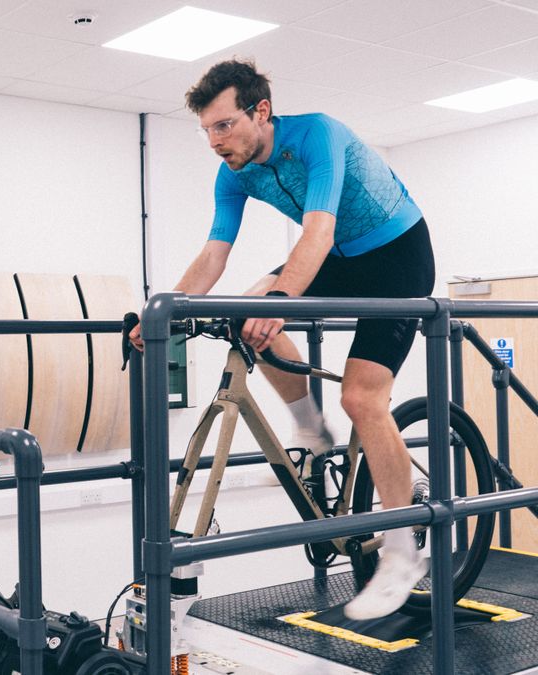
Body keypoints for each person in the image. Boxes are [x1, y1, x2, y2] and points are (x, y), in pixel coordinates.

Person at [129, 59, 434, 620]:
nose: (215, 141)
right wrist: (160, 315)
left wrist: (282, 302)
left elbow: (318, 230)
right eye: (206, 130)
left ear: (260, 111)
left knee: (363, 397)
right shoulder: (234, 173)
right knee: (247, 314)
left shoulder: (317, 133)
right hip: (337, 259)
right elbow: (213, 254)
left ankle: (402, 552)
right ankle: (311, 426)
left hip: (396, 256)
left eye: (223, 126)